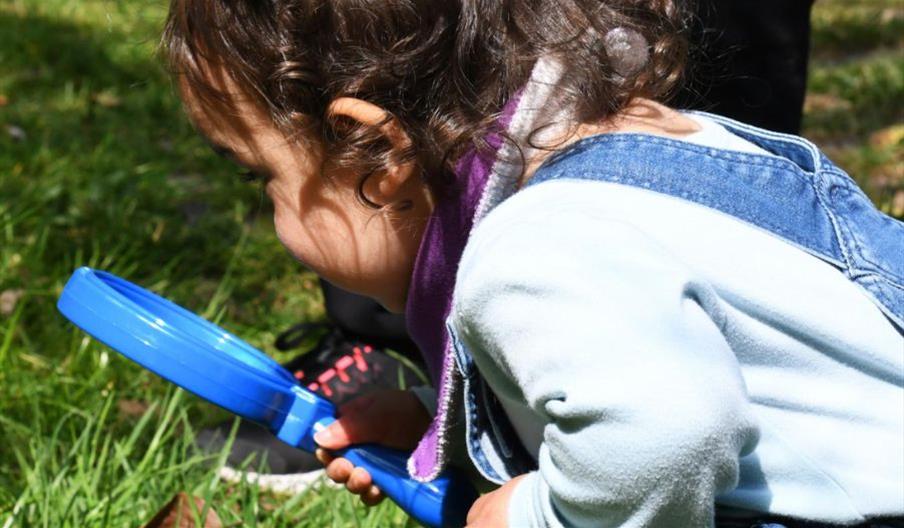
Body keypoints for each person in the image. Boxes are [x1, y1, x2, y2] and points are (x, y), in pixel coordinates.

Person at [163, 0, 904, 526]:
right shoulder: (626, 152)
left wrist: (539, 515)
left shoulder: (531, 246)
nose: (272, 215)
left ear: (379, 154)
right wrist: (445, 437)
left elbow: (664, 435)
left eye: (259, 175)